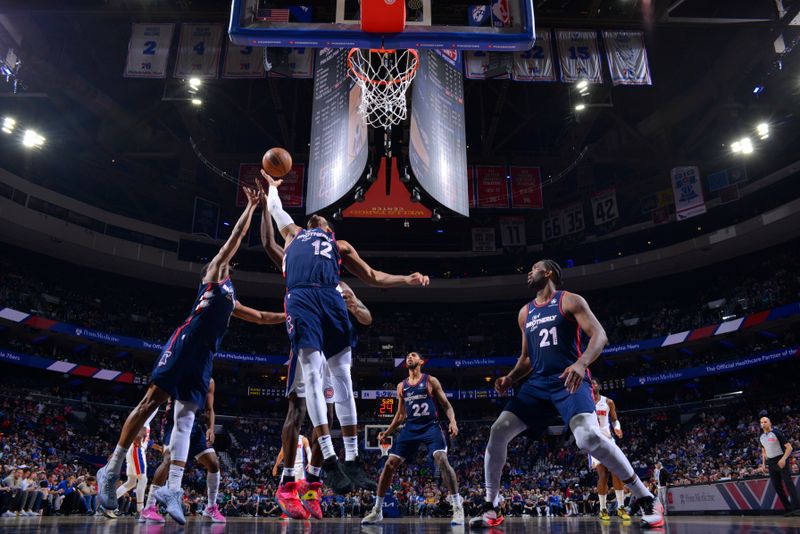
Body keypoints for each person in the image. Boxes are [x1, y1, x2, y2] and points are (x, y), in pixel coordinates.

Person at [96, 186, 285, 524]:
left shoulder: (230, 296)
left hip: (204, 358)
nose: (228, 262)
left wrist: (289, 316)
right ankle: (111, 468)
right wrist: (253, 207)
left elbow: (259, 316)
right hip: (185, 344)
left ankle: (173, 489)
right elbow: (235, 238)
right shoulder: (212, 274)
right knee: (151, 401)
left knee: (185, 418)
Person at [263, 172, 429, 517]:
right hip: (303, 300)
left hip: (330, 301)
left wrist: (406, 279)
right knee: (306, 389)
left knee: (343, 380)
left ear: (329, 230)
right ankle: (313, 469)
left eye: (321, 219)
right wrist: (272, 188)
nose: (316, 217)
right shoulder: (294, 235)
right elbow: (277, 212)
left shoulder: (340, 248)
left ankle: (347, 463)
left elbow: (372, 276)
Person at [469, 260, 663, 528]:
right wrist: (511, 377)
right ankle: (491, 506)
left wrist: (582, 364)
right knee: (498, 430)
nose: (529, 271)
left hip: (569, 378)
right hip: (537, 384)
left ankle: (646, 497)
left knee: (589, 438)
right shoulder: (525, 313)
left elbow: (600, 335)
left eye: (534, 267)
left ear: (548, 272)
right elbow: (526, 357)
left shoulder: (569, 300)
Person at [258, 181, 376, 520]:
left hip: (331, 329)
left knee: (325, 413)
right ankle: (285, 484)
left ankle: (311, 484)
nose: (318, 221)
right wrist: (272, 190)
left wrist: (354, 305)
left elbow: (368, 316)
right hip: (307, 324)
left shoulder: (335, 278)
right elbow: (274, 226)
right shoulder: (293, 248)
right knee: (297, 411)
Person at [361, 351, 464, 525]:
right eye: (408, 356)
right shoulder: (401, 386)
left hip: (430, 426)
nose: (410, 357)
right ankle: (377, 510)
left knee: (441, 459)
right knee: (389, 464)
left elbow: (446, 405)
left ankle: (457, 507)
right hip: (410, 428)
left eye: (414, 355)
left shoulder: (430, 380)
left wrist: (452, 421)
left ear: (421, 361)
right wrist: (387, 433)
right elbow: (400, 415)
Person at [141, 378, 226, 524]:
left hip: (194, 426)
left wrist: (211, 427)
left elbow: (209, 409)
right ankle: (149, 508)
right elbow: (154, 398)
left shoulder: (209, 381)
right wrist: (144, 422)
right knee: (167, 461)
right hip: (173, 423)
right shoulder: (180, 370)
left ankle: (211, 507)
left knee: (214, 463)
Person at [590, 378, 630, 521]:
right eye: (590, 383)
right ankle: (603, 509)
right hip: (593, 443)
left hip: (608, 439)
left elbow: (614, 419)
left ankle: (621, 507)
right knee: (603, 475)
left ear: (599, 386)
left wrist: (617, 428)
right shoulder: (584, 403)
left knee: (617, 472)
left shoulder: (608, 402)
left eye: (594, 383)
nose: (592, 385)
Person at [759, 415, 800, 516]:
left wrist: (783, 459)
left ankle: (797, 508)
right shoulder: (761, 437)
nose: (763, 424)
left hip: (781, 459)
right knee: (777, 487)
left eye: (765, 422)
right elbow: (763, 451)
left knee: (788, 483)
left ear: (770, 423)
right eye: (761, 422)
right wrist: (763, 464)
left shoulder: (776, 433)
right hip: (771, 463)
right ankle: (788, 509)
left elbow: (789, 448)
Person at [113, 420, 153, 518]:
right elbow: (138, 430)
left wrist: (158, 448)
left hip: (134, 449)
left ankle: (106, 503)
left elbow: (146, 441)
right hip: (137, 449)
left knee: (131, 482)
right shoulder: (147, 414)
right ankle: (140, 510)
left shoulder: (147, 419)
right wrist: (138, 442)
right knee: (143, 479)